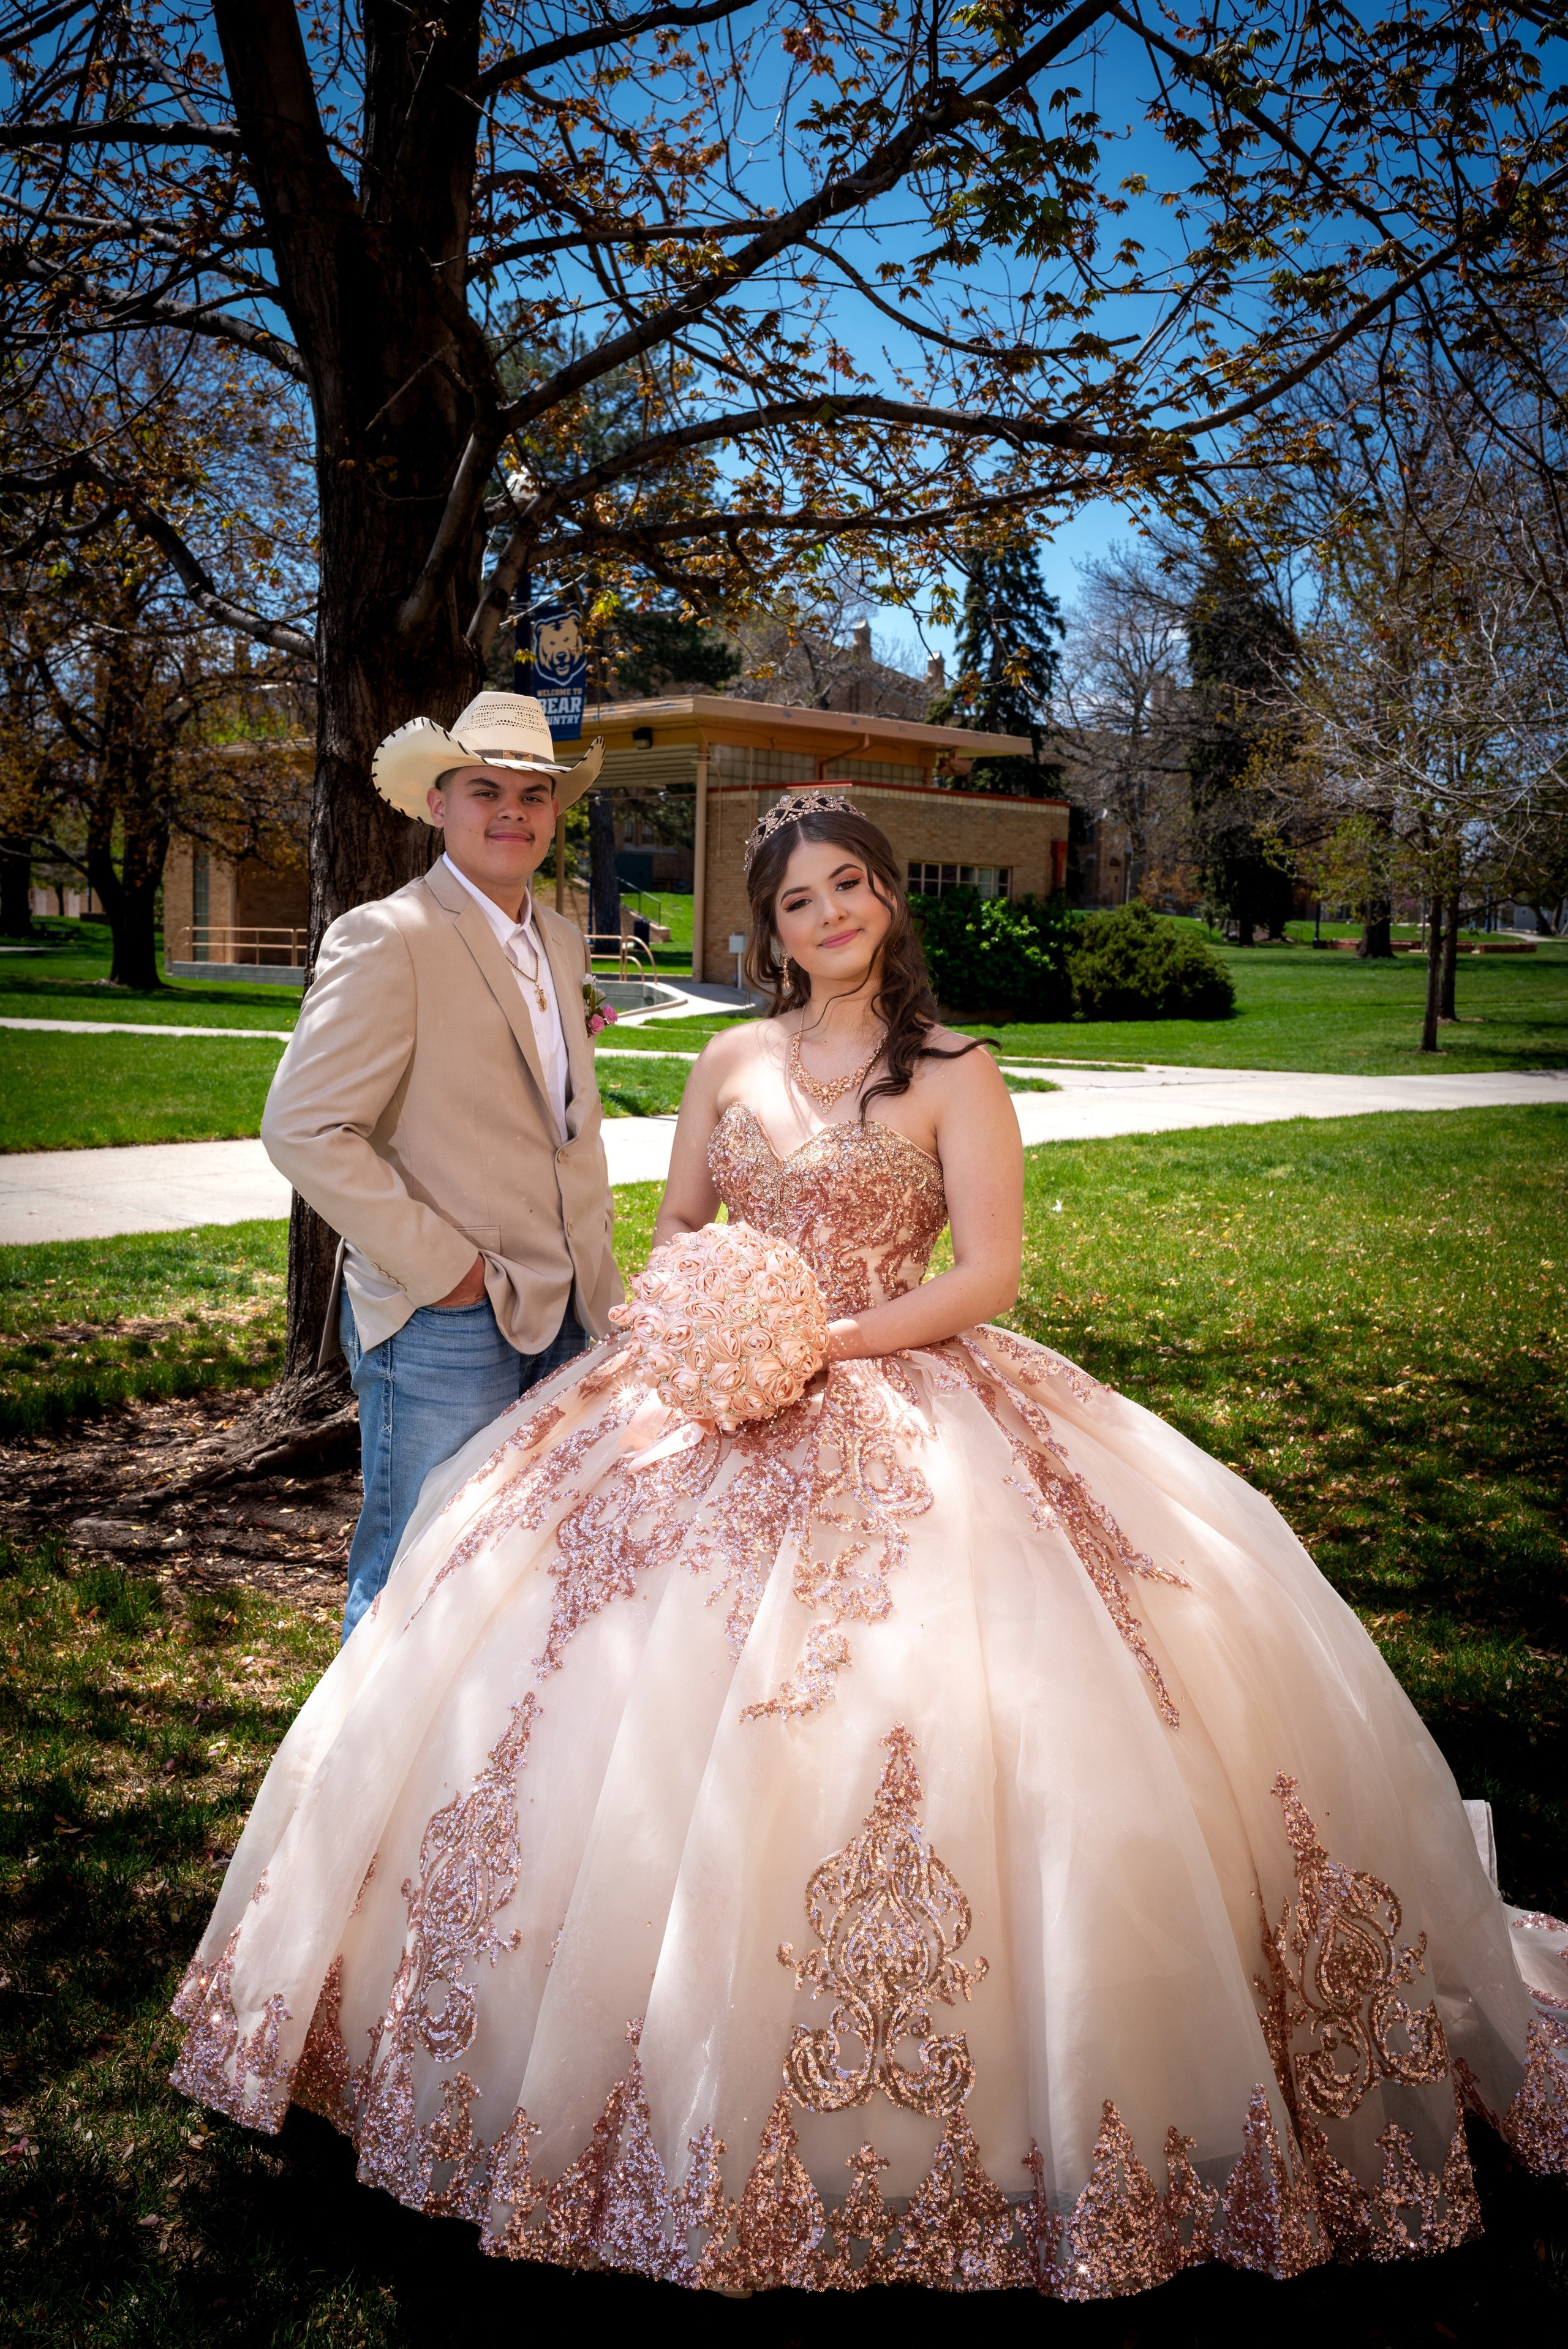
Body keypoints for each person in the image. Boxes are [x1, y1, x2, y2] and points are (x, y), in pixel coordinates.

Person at [176, 792, 1567, 2300]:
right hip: (709, 1401)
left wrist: (822, 1340)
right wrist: (702, 1319)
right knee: (562, 1667)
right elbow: (681, 1226)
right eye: (797, 900)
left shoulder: (956, 1070)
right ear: (768, 931)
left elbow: (988, 1272)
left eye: (849, 885)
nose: (828, 914)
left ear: (888, 899)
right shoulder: (726, 1060)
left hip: (898, 1383)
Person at [260, 692, 618, 1640]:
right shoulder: (390, 935)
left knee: (534, 1562)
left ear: (554, 812)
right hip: (444, 1317)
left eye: (533, 795)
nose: (512, 812)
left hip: (571, 1304)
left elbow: (555, 1121)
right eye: (484, 791)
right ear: (438, 804)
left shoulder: (562, 940)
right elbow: (303, 1127)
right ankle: (365, 1745)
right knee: (417, 1571)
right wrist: (447, 1271)